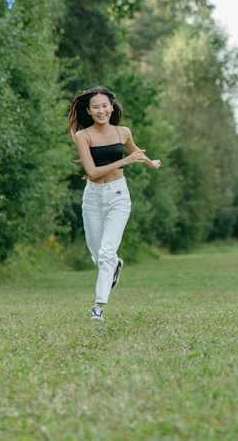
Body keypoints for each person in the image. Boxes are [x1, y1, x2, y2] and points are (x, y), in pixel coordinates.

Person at [68, 87, 161, 321]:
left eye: (104, 106)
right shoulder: (83, 136)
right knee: (98, 255)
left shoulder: (123, 132)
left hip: (118, 195)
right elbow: (92, 172)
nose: (101, 110)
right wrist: (127, 161)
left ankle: (98, 307)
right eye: (96, 107)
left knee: (107, 252)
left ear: (112, 107)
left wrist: (151, 163)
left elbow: (135, 152)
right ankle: (116, 265)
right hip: (93, 197)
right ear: (88, 111)